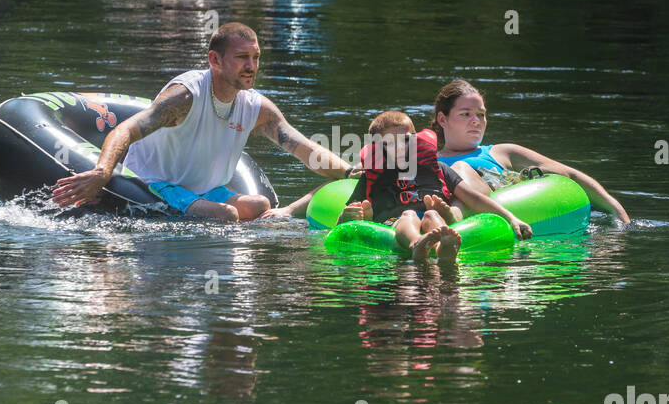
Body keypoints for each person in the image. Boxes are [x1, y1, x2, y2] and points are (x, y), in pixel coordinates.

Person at [51, 23, 352, 220]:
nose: (251, 67)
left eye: (256, 58)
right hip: (157, 183)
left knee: (261, 206)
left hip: (205, 188)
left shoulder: (256, 107)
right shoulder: (186, 97)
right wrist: (103, 173)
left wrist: (349, 171)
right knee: (228, 216)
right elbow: (126, 129)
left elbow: (303, 148)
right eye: (242, 58)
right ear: (215, 60)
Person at [271, 111, 532, 262]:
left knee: (430, 215)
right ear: (377, 149)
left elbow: (473, 198)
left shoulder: (438, 169)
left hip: (436, 220)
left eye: (406, 140)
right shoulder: (371, 178)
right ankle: (418, 244)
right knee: (408, 215)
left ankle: (443, 250)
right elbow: (346, 220)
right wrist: (347, 217)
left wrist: (511, 217)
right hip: (394, 224)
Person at [429, 78, 631, 223]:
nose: (476, 121)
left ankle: (453, 215)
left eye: (481, 114)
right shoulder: (426, 161)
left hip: (493, 205)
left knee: (459, 168)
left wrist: (616, 209)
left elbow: (569, 175)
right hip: (438, 217)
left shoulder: (502, 152)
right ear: (442, 119)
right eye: (466, 114)